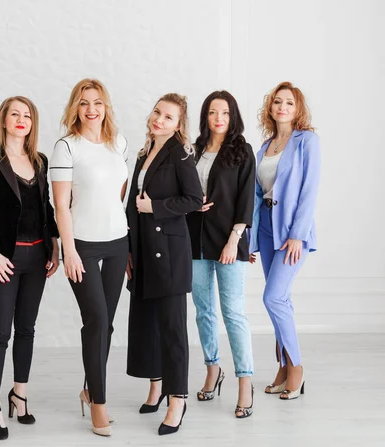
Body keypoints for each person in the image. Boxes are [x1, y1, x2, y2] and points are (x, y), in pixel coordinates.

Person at [0, 96, 60, 440]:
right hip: (3, 259)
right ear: (4, 121)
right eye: (15, 114)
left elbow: (46, 208)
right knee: (0, 333)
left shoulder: (39, 161)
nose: (21, 120)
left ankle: (18, 394)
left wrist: (55, 245)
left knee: (26, 329)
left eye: (27, 115)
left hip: (37, 257)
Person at [50, 79, 129, 437]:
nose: (91, 109)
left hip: (118, 243)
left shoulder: (119, 143)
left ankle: (88, 387)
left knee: (107, 324)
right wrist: (69, 251)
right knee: (96, 320)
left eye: (97, 102)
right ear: (75, 108)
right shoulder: (67, 147)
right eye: (84, 103)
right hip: (82, 244)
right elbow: (61, 206)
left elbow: (119, 193)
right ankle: (98, 401)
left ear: (106, 106)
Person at [125, 93, 203, 436]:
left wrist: (154, 207)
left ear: (178, 125)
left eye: (168, 117)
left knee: (172, 328)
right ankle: (156, 387)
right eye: (158, 112)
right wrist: (128, 248)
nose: (159, 120)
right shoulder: (145, 152)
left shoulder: (181, 154)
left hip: (169, 253)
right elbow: (131, 203)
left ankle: (178, 399)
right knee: (147, 323)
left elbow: (194, 199)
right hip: (142, 250)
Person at [250, 81, 320, 400]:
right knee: (280, 300)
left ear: (297, 109)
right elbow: (254, 195)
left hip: (291, 232)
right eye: (277, 102)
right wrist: (249, 240)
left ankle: (296, 368)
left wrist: (297, 235)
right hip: (265, 228)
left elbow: (309, 191)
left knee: (273, 298)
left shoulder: (307, 142)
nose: (282, 107)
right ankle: (282, 366)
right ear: (270, 107)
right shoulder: (263, 147)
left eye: (289, 103)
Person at [187, 90, 255, 418]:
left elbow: (245, 199)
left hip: (229, 241)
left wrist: (234, 240)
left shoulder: (242, 151)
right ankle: (213, 369)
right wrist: (191, 203)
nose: (218, 118)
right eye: (213, 112)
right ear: (206, 116)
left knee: (233, 313)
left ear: (232, 116)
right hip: (195, 240)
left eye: (224, 113)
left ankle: (245, 380)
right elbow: (184, 190)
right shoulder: (194, 149)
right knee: (203, 311)